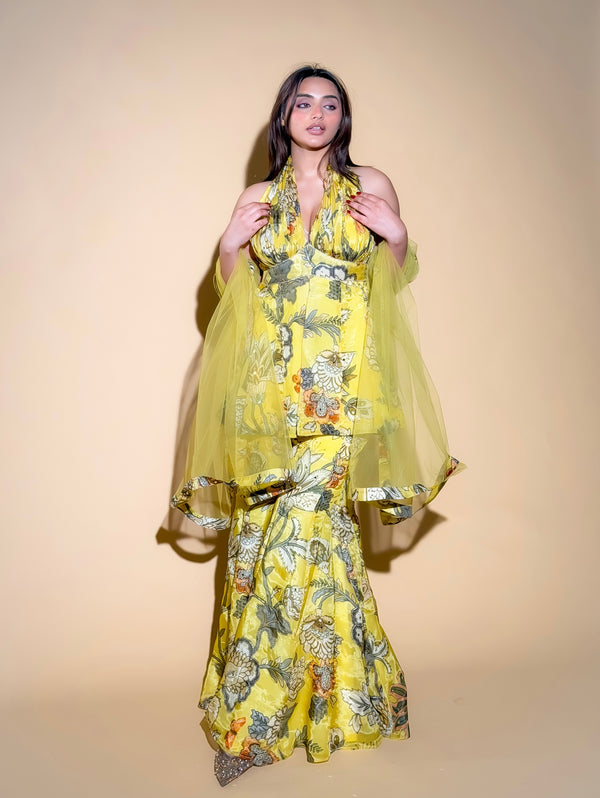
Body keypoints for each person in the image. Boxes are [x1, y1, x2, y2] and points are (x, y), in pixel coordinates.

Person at [171, 65, 463, 786]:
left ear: (342, 119)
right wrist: (231, 248)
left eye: (331, 103)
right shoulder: (257, 198)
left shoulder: (370, 187)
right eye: (304, 101)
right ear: (284, 116)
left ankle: (255, 726)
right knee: (261, 548)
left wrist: (398, 235)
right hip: (266, 396)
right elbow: (231, 301)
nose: (317, 112)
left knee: (297, 540)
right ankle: (354, 700)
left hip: (342, 394)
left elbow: (391, 280)